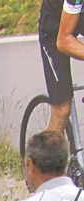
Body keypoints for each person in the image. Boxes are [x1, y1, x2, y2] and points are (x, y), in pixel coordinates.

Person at [38, 0, 84, 133]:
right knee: (62, 111)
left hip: (80, 18)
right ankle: (42, 146)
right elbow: (63, 41)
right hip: (54, 28)